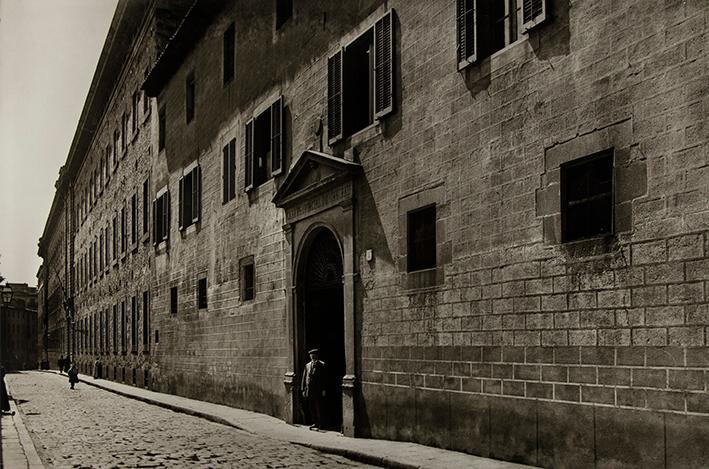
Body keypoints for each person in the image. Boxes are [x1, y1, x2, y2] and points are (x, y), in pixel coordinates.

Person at [300, 348, 327, 430]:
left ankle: (321, 423)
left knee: (319, 407)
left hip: (318, 389)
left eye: (314, 355)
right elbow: (304, 377)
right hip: (309, 389)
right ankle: (315, 422)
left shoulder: (322, 364)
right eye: (311, 355)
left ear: (317, 356)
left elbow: (325, 378)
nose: (312, 357)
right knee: (311, 407)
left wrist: (324, 389)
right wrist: (303, 389)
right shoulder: (307, 365)